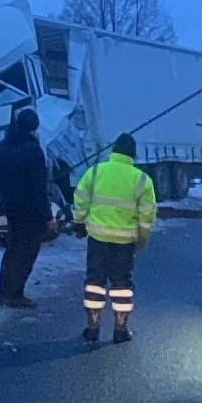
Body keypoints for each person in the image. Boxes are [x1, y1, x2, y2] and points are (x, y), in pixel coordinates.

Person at [72, 132, 158, 344]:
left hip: (97, 238)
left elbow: (81, 199)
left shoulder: (95, 172)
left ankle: (92, 327)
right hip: (124, 242)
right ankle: (120, 329)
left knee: (95, 282)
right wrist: (142, 236)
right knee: (121, 284)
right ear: (133, 154)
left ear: (113, 151)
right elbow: (148, 212)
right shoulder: (141, 180)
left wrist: (79, 223)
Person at [0, 107, 56, 308]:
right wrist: (48, 216)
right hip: (30, 210)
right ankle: (16, 293)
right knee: (27, 252)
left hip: (11, 207)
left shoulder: (4, 146)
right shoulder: (33, 150)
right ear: (33, 129)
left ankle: (5, 291)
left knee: (12, 249)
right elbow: (39, 187)